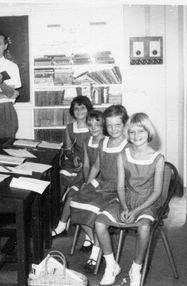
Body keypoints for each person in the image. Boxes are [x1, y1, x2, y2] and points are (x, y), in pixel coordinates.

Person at [95, 113, 164, 286]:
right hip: (126, 200)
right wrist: (125, 207)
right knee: (99, 222)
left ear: (149, 132)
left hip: (147, 202)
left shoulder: (158, 158)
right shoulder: (123, 155)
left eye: (140, 131)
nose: (136, 136)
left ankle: (136, 268)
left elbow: (157, 192)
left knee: (144, 227)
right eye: (131, 132)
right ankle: (111, 265)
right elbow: (120, 186)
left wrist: (136, 211)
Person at [69, 104, 129, 273]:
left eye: (118, 125)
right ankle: (95, 239)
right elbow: (96, 166)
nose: (113, 129)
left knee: (95, 211)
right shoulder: (104, 141)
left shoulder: (127, 145)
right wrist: (88, 183)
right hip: (101, 182)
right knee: (76, 201)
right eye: (109, 125)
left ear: (124, 124)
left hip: (118, 188)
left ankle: (96, 251)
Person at [52, 110, 105, 247]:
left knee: (78, 197)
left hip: (101, 179)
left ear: (103, 126)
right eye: (90, 124)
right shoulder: (88, 140)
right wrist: (85, 182)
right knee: (71, 195)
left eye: (97, 125)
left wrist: (87, 184)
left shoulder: (105, 142)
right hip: (87, 176)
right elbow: (87, 166)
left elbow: (98, 168)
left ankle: (91, 238)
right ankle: (63, 226)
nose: (93, 127)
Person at [59, 96, 93, 198]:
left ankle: (71, 198)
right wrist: (73, 157)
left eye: (82, 108)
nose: (79, 111)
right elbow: (67, 150)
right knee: (63, 173)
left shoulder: (93, 127)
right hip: (75, 161)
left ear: (88, 110)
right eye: (76, 108)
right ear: (72, 111)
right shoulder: (69, 128)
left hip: (91, 162)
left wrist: (85, 163)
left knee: (81, 179)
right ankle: (61, 201)